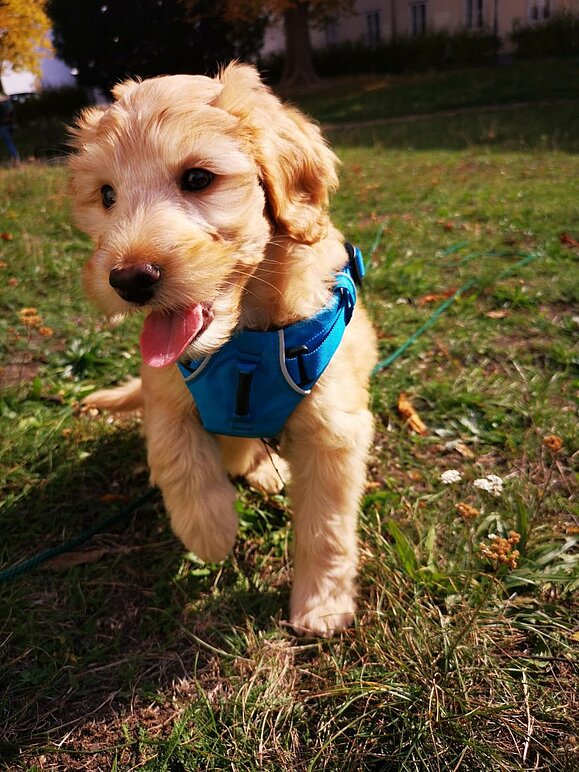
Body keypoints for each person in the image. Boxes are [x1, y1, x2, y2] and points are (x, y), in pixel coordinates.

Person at [0, 94, 21, 165]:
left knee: (9, 143)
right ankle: (14, 158)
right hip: (9, 125)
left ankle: (15, 157)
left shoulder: (3, 107)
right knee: (9, 141)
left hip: (3, 126)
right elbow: (13, 115)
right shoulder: (9, 105)